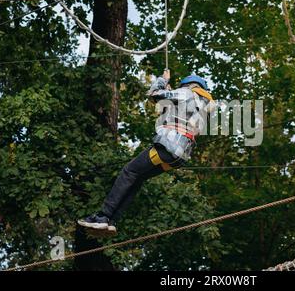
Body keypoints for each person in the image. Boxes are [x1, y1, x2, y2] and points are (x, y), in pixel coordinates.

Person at [77, 70, 214, 235]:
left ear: (188, 85)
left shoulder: (186, 93)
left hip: (167, 147)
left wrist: (163, 81)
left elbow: (154, 94)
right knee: (137, 177)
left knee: (129, 171)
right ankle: (112, 220)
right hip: (179, 157)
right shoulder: (204, 108)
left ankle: (103, 216)